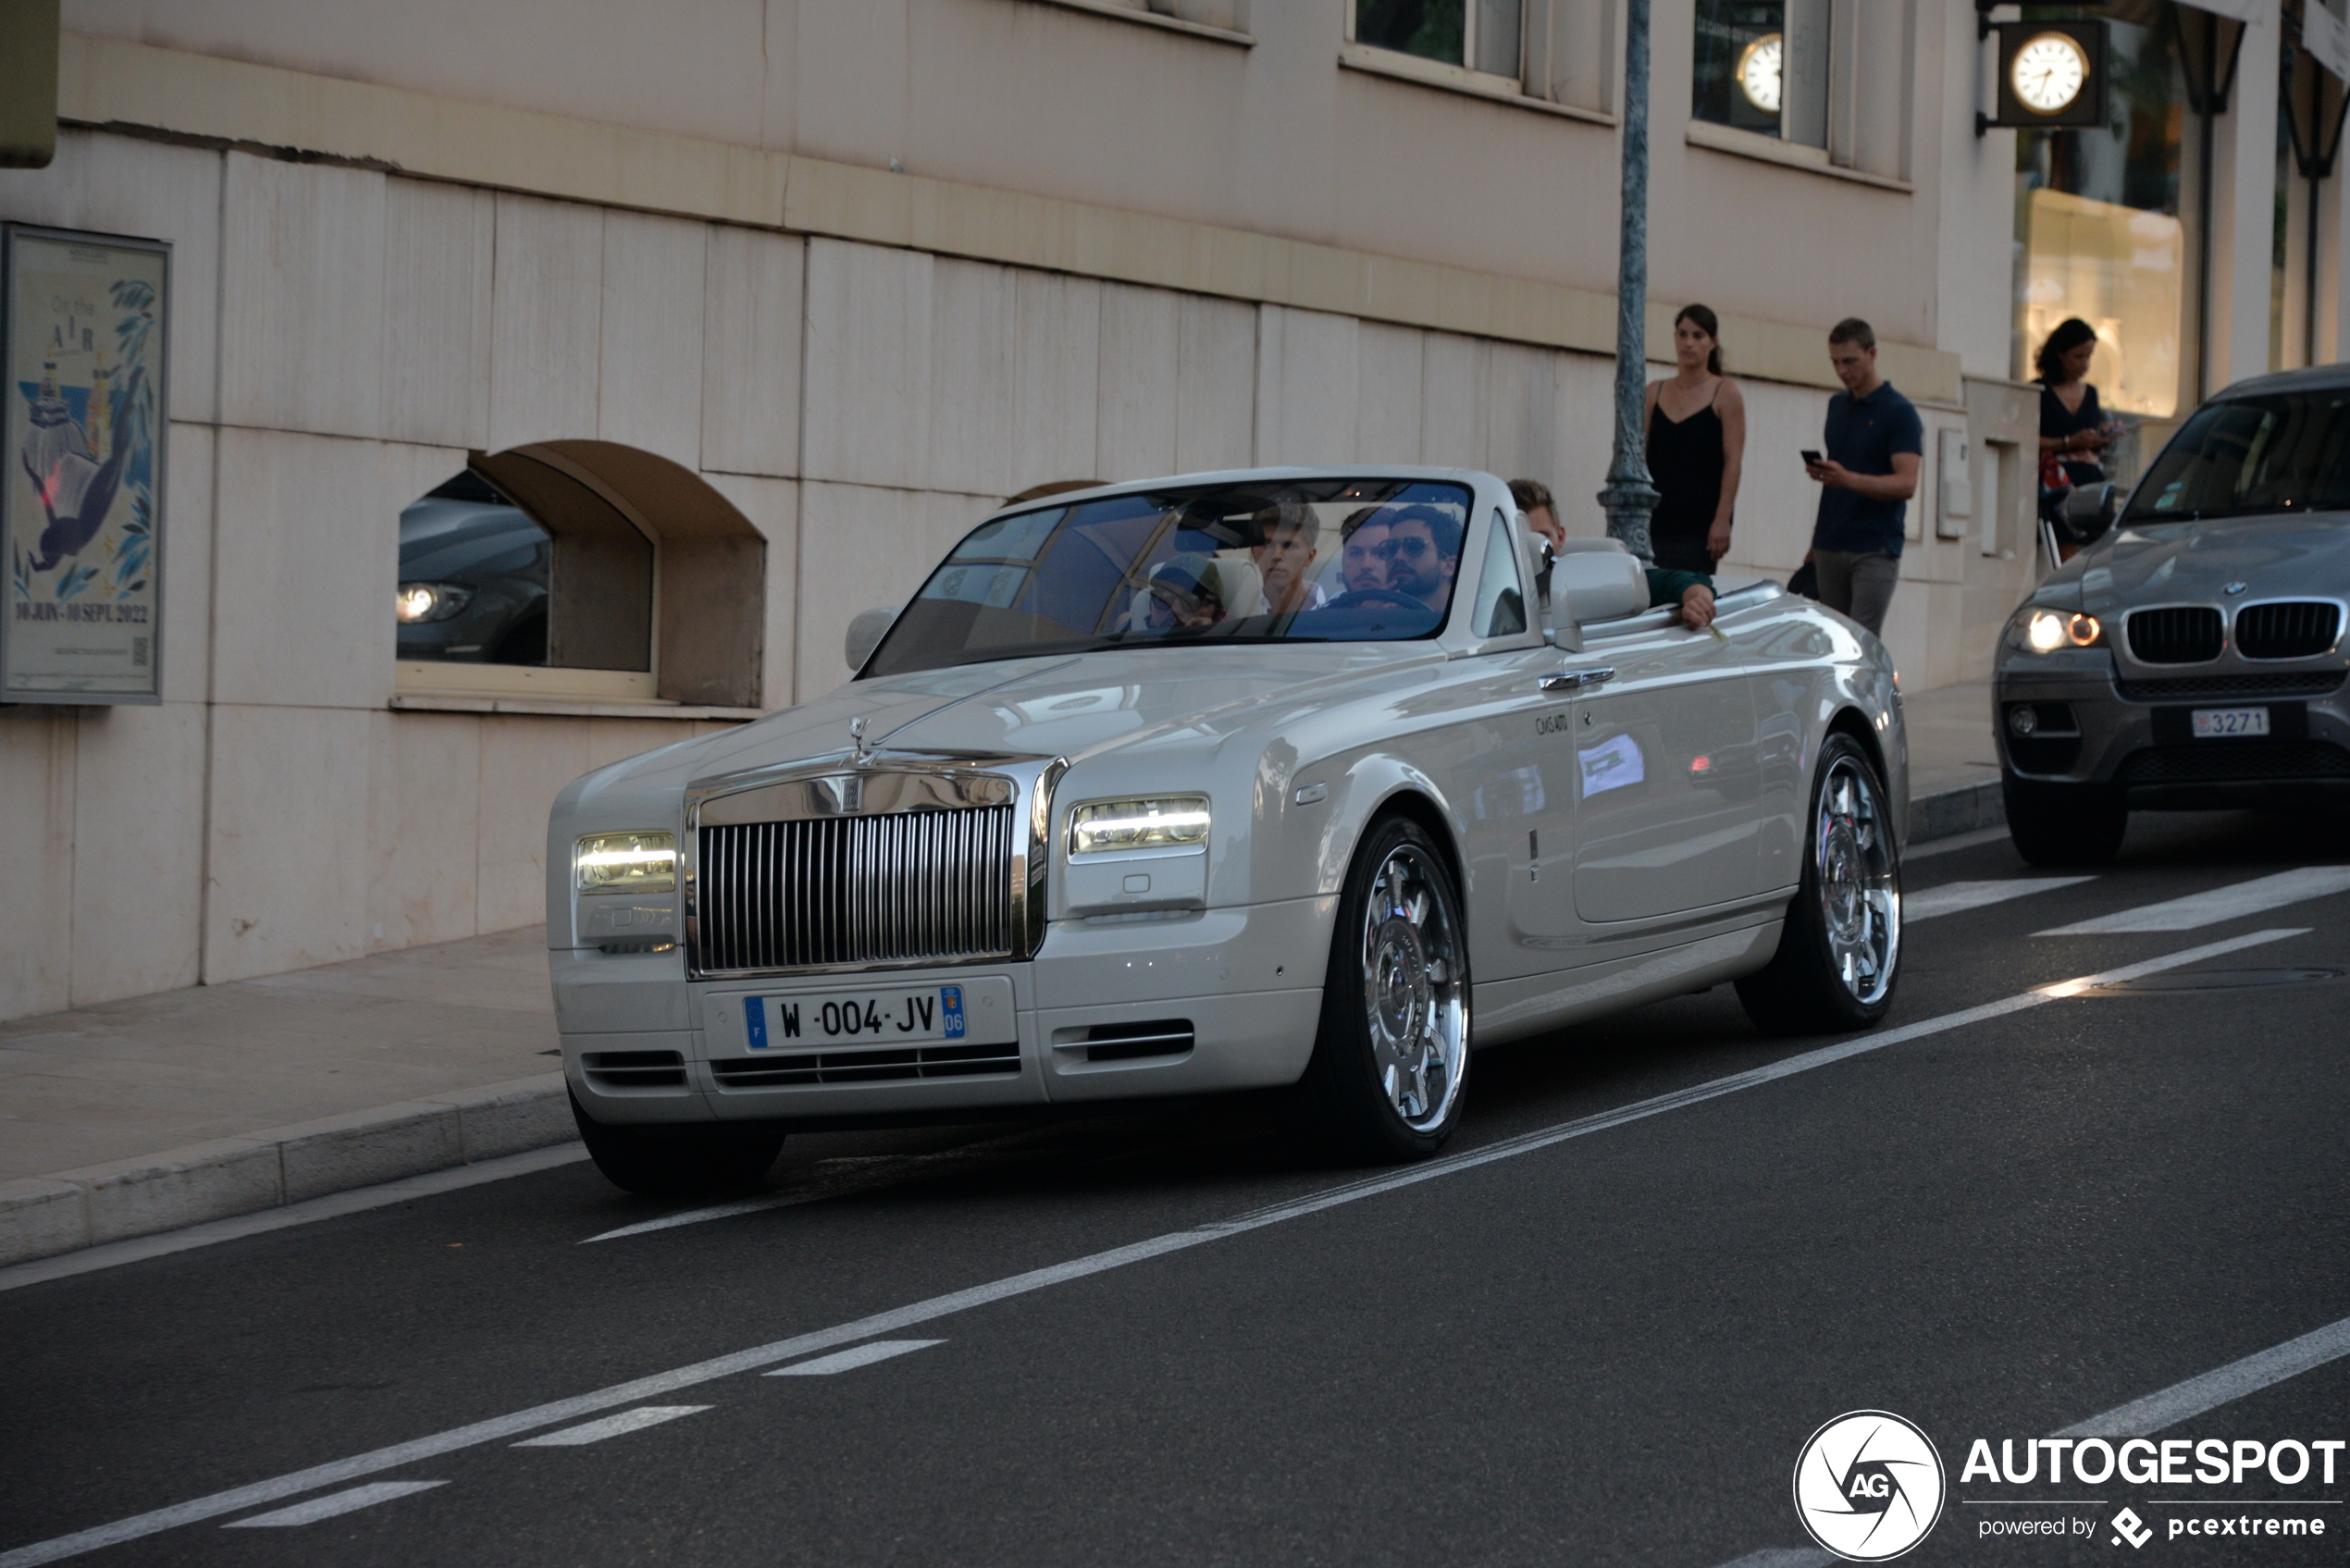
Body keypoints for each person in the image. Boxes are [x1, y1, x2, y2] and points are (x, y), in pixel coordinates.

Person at [1802, 317, 1921, 638]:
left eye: (1850, 361)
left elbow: (1906, 483)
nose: (1842, 371)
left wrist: (1848, 479)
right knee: (1834, 639)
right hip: (1831, 540)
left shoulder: (1899, 412)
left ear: (1872, 354)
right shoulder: (1837, 405)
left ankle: (1870, 690)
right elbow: (1837, 480)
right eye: (1836, 362)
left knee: (1862, 639)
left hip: (1874, 545)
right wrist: (1815, 542)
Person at [1512, 475, 1716, 631]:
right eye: (1523, 539)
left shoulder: (1587, 579)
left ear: (1561, 537)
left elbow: (1677, 581)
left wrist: (1696, 601)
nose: (1534, 547)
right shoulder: (1485, 594)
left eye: (1542, 537)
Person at [1643, 303, 1746, 574]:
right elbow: (1637, 455)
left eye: (1698, 335)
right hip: (1655, 521)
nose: (1689, 343)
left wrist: (1722, 519)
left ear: (1713, 342)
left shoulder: (1725, 393)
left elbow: (1733, 461)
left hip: (1698, 528)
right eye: (1683, 334)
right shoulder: (1654, 392)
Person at [2035, 317, 2120, 485]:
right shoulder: (2039, 391)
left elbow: (2089, 438)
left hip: (2089, 479)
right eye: (2078, 357)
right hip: (2053, 481)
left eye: (2088, 356)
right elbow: (2027, 439)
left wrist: (2101, 438)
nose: (2085, 365)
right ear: (2060, 354)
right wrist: (2069, 442)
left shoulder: (2090, 393)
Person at [1378, 505, 1461, 611]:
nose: (1398, 557)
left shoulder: (1472, 619)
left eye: (1414, 547)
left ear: (1450, 566)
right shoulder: (1384, 621)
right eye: (1391, 548)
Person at [1249, 500, 1324, 614]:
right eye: (1267, 545)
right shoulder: (1238, 613)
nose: (1276, 555)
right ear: (1254, 552)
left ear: (1309, 556)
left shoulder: (1337, 613)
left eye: (1289, 546)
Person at [1338, 506, 1391, 593]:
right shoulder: (1329, 606)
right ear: (1343, 560)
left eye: (1380, 553)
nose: (1366, 565)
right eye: (1355, 554)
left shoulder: (1419, 606)